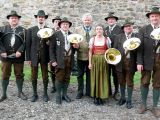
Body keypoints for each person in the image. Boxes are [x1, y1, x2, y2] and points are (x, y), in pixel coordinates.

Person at [137, 7, 160, 117]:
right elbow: (139, 47)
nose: (154, 18)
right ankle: (143, 104)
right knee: (144, 82)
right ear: (149, 18)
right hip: (146, 60)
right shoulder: (143, 29)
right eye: (152, 16)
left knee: (157, 83)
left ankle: (155, 106)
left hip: (159, 60)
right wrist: (139, 62)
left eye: (156, 16)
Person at [0, 10, 27, 102]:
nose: (14, 19)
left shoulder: (23, 30)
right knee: (4, 75)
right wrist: (2, 51)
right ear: (9, 20)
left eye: (15, 18)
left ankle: (20, 92)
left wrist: (20, 50)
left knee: (19, 74)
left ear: (18, 20)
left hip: (18, 57)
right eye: (12, 18)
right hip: (5, 57)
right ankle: (3, 94)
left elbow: (25, 42)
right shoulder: (2, 29)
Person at [49, 17, 76, 104]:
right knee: (59, 78)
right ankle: (58, 95)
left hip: (69, 60)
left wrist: (76, 47)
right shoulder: (55, 35)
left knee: (67, 78)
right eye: (63, 24)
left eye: (67, 24)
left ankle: (64, 94)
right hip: (59, 60)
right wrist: (53, 60)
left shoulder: (72, 35)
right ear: (60, 25)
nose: (65, 25)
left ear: (69, 26)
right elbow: (51, 49)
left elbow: (74, 49)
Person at [26, 10, 50, 102]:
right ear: (37, 18)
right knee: (33, 75)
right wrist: (28, 58)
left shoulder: (49, 30)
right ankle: (34, 94)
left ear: (45, 19)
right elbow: (28, 45)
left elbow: (51, 46)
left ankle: (45, 93)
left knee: (45, 76)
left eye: (43, 17)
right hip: (34, 56)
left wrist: (49, 42)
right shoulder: (31, 30)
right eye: (39, 17)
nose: (41, 18)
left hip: (45, 57)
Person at [114, 19, 137, 109]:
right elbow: (115, 50)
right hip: (120, 63)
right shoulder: (118, 37)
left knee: (129, 82)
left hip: (131, 63)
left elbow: (139, 52)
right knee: (121, 81)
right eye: (126, 26)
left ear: (132, 27)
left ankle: (129, 100)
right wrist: (115, 62)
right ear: (123, 28)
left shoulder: (136, 36)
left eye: (129, 26)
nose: (128, 28)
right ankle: (123, 98)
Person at [88, 24, 111, 105]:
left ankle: (101, 96)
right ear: (95, 30)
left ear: (103, 30)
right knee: (95, 77)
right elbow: (90, 52)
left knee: (103, 78)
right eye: (97, 29)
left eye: (100, 29)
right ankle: (96, 96)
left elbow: (109, 51)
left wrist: (108, 60)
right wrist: (90, 63)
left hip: (104, 61)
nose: (99, 30)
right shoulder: (92, 39)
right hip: (94, 60)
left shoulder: (107, 39)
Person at [74, 13, 95, 99]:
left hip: (91, 57)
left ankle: (89, 91)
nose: (87, 21)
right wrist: (76, 46)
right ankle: (80, 91)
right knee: (80, 74)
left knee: (90, 75)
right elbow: (75, 41)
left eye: (88, 20)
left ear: (91, 21)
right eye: (85, 20)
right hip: (80, 55)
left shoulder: (95, 30)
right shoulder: (77, 30)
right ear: (83, 21)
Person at [105, 12, 123, 99]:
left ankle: (117, 91)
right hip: (106, 56)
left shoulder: (120, 29)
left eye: (112, 19)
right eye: (109, 19)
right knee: (107, 73)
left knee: (116, 74)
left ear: (115, 20)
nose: (111, 20)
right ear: (107, 21)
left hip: (116, 56)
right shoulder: (104, 29)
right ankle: (108, 91)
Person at [50, 16, 61, 93]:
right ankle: (54, 86)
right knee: (52, 71)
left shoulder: (63, 31)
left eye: (58, 22)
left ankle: (60, 86)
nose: (57, 23)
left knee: (60, 71)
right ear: (53, 23)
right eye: (55, 22)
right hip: (52, 55)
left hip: (60, 55)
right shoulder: (50, 32)